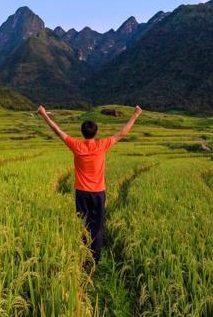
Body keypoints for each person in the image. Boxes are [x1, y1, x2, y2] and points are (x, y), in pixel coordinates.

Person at [37, 104, 143, 262]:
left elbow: (57, 131)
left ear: (82, 132)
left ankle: (84, 254)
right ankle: (96, 257)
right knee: (97, 224)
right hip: (98, 192)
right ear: (96, 132)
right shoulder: (102, 145)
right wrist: (135, 115)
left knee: (83, 224)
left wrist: (44, 114)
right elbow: (122, 133)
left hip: (81, 193)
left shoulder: (76, 145)